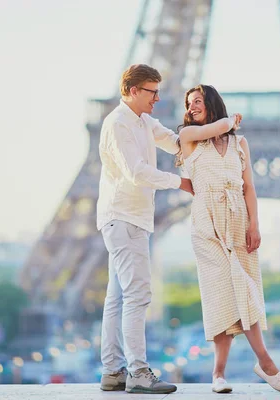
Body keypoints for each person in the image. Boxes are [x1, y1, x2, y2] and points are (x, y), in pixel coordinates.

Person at [177, 85, 280, 393]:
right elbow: (217, 127)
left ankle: (220, 374)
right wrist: (230, 121)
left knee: (242, 291)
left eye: (198, 101)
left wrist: (255, 225)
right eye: (189, 104)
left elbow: (249, 188)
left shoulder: (240, 143)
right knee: (222, 292)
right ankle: (265, 364)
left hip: (238, 220)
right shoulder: (188, 138)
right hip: (207, 224)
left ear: (212, 103)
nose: (191, 108)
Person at [97, 64, 193, 394]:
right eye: (152, 91)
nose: (157, 98)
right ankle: (137, 372)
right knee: (138, 295)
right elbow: (136, 172)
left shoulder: (140, 120)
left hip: (127, 218)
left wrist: (198, 140)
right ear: (133, 90)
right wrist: (180, 182)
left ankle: (113, 371)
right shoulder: (118, 124)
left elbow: (169, 138)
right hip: (125, 219)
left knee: (118, 298)